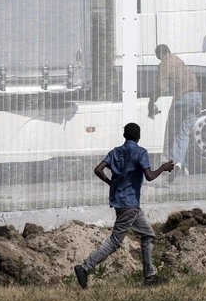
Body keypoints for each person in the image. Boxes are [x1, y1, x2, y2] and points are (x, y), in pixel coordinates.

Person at [74, 122, 174, 289]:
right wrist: (163, 168)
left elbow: (98, 169)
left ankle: (150, 276)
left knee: (148, 234)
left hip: (121, 202)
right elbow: (149, 176)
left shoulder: (115, 152)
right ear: (139, 136)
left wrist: (110, 183)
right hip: (130, 204)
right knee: (115, 241)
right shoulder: (140, 152)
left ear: (124, 136)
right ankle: (84, 268)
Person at [148, 44, 202, 181]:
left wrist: (151, 101)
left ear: (160, 55)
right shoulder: (179, 60)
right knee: (183, 133)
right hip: (196, 97)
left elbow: (161, 86)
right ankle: (179, 163)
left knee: (171, 131)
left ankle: (173, 163)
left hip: (183, 99)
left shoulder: (165, 62)